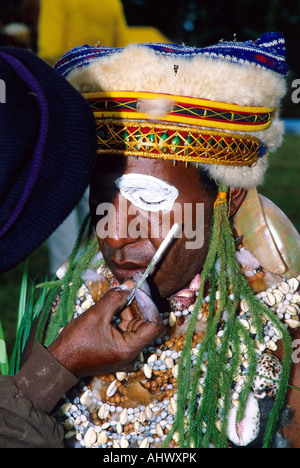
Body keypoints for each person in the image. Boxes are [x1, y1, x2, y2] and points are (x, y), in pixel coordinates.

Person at [1, 33, 300, 449]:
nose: (116, 232)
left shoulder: (285, 342)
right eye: (104, 196)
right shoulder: (60, 314)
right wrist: (58, 364)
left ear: (227, 197)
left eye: (152, 200)